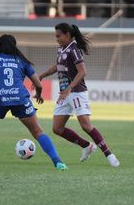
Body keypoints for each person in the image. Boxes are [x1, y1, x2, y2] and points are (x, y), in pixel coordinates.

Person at [0, 34, 68, 171]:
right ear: (15, 45)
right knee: (38, 132)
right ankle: (58, 162)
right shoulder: (22, 61)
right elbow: (38, 83)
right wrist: (39, 94)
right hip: (20, 99)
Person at [39, 23, 120, 167]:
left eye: (59, 36)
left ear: (67, 35)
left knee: (86, 125)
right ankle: (86, 146)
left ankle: (109, 154)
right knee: (57, 128)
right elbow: (58, 66)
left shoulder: (73, 49)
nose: (57, 39)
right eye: (56, 36)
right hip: (65, 93)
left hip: (77, 92)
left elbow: (82, 71)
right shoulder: (61, 49)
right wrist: (43, 75)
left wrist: (69, 88)